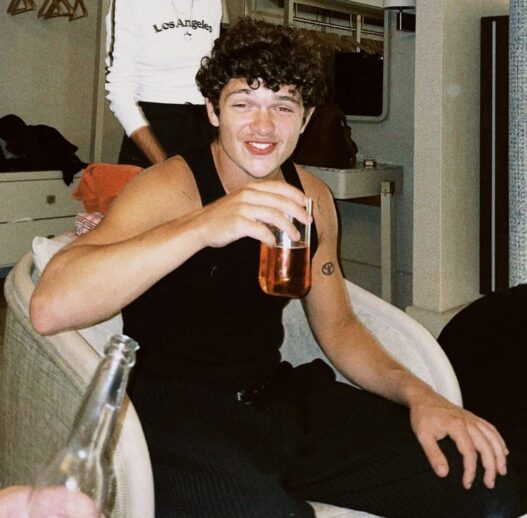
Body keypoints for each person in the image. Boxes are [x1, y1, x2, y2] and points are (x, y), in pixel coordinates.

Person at [31, 17, 521, 517]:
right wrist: (203, 225)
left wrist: (422, 397)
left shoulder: (311, 197)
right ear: (213, 111)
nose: (263, 127)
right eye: (243, 103)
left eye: (283, 106)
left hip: (278, 400)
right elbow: (50, 308)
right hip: (176, 415)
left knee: (487, 490)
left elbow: (339, 326)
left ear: (305, 119)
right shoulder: (167, 188)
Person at [105, 0, 222, 168]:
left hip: (203, 126)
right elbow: (119, 91)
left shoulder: (213, 3)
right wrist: (164, 165)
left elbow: (212, 75)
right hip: (153, 129)